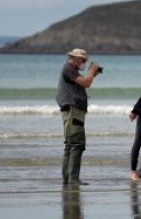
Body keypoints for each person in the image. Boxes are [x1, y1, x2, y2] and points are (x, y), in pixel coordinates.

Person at [56, 48, 100, 185]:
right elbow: (86, 82)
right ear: (75, 58)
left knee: (70, 144)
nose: (84, 63)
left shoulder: (71, 71)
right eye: (83, 60)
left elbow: (84, 82)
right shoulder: (68, 69)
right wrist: (91, 72)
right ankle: (73, 179)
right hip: (73, 110)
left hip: (72, 110)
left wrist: (91, 74)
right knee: (77, 144)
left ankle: (68, 178)